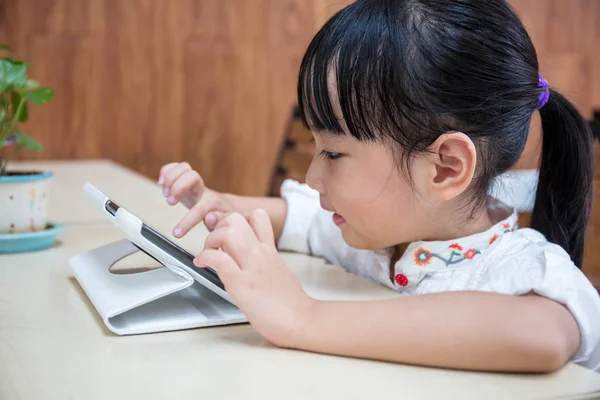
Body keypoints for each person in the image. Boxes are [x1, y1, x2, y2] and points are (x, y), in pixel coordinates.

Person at [158, 0, 600, 372]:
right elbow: (299, 219)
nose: (311, 178)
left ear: (445, 168)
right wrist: (224, 204)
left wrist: (303, 316)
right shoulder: (375, 236)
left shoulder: (519, 272)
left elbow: (539, 335)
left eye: (333, 153)